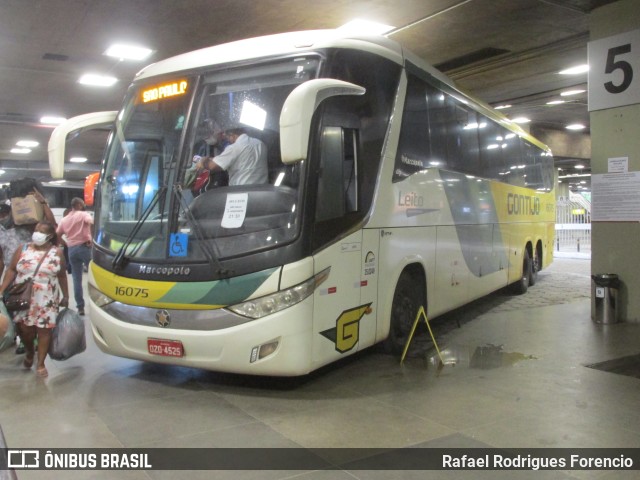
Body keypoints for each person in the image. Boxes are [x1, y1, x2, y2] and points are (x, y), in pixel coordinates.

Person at [0, 221, 69, 377]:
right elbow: (11, 270)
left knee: (44, 331)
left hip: (46, 297)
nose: (37, 233)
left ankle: (40, 363)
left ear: (50, 236)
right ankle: (30, 351)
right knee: (25, 330)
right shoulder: (22, 249)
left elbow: (62, 275)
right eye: (36, 230)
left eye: (41, 231)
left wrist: (66, 296)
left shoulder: (57, 252)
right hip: (22, 296)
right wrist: (2, 289)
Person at [0, 190, 57, 353]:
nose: (2, 217)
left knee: (37, 312)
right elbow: (2, 259)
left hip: (36, 279)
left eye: (4, 214)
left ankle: (38, 339)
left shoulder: (30, 227)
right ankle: (24, 339)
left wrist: (43, 203)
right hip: (14, 279)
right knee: (17, 311)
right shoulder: (2, 233)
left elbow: (51, 224)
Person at [56, 198, 93, 316]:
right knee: (93, 276)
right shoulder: (83, 214)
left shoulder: (64, 219)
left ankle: (80, 307)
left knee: (77, 279)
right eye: (82, 204)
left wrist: (65, 243)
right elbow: (91, 221)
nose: (84, 205)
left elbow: (57, 234)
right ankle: (96, 304)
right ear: (78, 205)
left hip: (71, 249)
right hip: (85, 248)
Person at [202, 127, 268, 186]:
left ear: (232, 135)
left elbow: (211, 166)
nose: (228, 140)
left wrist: (203, 160)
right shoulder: (260, 143)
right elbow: (243, 159)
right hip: (261, 189)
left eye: (228, 137)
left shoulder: (234, 147)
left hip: (240, 191)